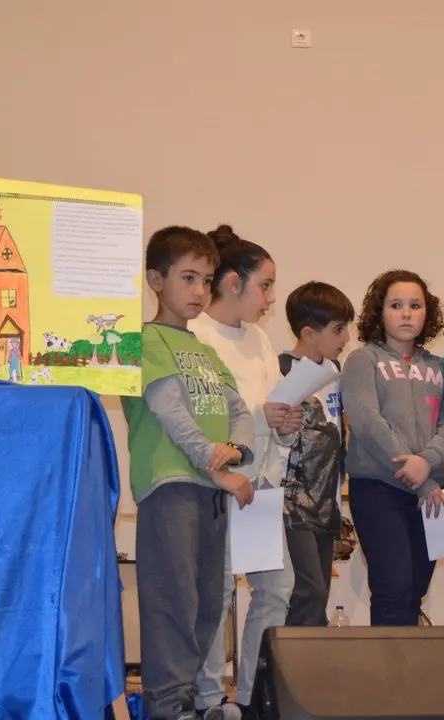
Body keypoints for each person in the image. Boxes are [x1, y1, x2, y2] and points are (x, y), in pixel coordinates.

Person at [123, 226, 256, 720]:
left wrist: (236, 450)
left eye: (206, 280)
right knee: (172, 599)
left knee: (207, 603)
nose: (200, 290)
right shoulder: (144, 338)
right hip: (172, 484)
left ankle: (189, 700)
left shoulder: (204, 349)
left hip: (211, 488)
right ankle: (167, 704)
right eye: (188, 278)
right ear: (156, 280)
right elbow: (168, 408)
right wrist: (213, 462)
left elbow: (238, 409)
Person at [189, 225, 301, 719]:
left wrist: (287, 425)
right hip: (216, 482)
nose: (271, 298)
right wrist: (263, 416)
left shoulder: (258, 337)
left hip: (261, 484)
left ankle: (253, 694)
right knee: (216, 592)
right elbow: (208, 415)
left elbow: (274, 406)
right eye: (265, 286)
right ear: (233, 282)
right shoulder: (195, 334)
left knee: (276, 587)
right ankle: (209, 698)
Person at [343, 269, 444, 628]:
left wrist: (426, 463)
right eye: (396, 305)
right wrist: (416, 473)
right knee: (392, 588)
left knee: (414, 590)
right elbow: (367, 422)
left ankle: (408, 663)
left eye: (415, 305)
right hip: (378, 488)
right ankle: (387, 666)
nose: (406, 313)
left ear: (428, 312)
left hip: (430, 493)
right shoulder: (363, 360)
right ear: (379, 312)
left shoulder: (441, 367)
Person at [277, 281, 355, 628]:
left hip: (327, 501)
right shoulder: (280, 369)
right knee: (307, 590)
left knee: (319, 593)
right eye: (338, 329)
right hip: (291, 503)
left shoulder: (336, 373)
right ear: (308, 333)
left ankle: (305, 656)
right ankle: (277, 660)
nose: (346, 337)